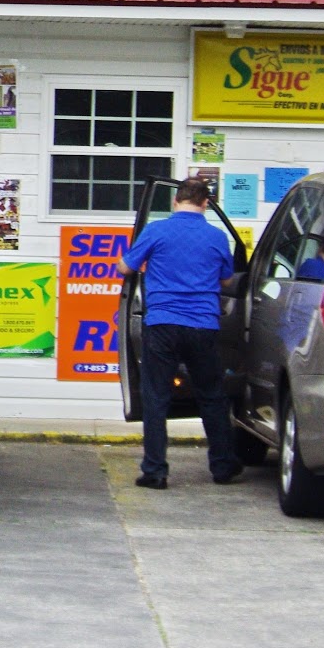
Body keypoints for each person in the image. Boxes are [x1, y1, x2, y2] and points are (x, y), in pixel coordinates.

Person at [119, 178, 241, 490]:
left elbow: (125, 268)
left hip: (161, 324)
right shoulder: (216, 236)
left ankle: (155, 471)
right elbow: (227, 280)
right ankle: (223, 466)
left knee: (156, 398)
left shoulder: (157, 230)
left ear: (176, 201)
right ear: (205, 204)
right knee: (211, 396)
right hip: (202, 325)